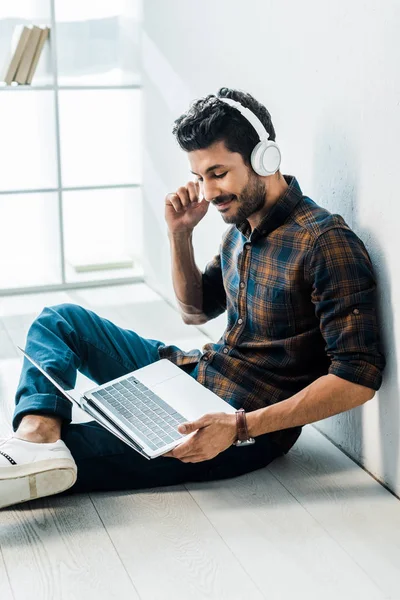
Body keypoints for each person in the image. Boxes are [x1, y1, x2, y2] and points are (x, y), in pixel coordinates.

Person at [0, 88, 385, 509]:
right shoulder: (240, 229)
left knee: (64, 455)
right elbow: (195, 310)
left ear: (264, 159)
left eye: (218, 173)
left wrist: (238, 427)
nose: (207, 191)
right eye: (200, 176)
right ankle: (34, 437)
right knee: (60, 321)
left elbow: (358, 377)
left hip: (236, 426)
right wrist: (180, 234)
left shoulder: (324, 243)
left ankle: (36, 450)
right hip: (193, 374)